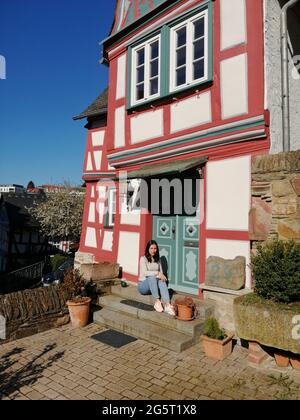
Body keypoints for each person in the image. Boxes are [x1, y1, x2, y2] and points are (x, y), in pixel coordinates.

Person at [138, 240, 176, 316]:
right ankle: (157, 301)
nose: (153, 250)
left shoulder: (158, 259)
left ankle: (167, 304)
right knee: (152, 277)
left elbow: (161, 274)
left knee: (161, 280)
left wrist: (160, 275)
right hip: (143, 286)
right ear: (148, 249)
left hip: (154, 287)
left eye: (155, 248)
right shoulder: (143, 259)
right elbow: (145, 273)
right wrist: (157, 273)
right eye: (151, 248)